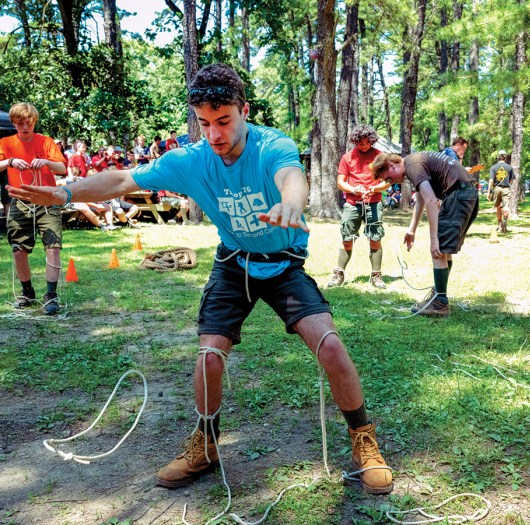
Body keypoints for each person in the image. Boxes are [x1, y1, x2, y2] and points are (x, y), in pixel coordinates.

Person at [7, 63, 393, 495]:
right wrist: (65, 193)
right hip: (234, 264)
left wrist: (290, 203)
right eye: (205, 123)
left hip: (283, 263)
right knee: (210, 355)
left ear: (244, 111)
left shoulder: (271, 145)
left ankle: (363, 438)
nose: (214, 134)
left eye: (224, 121)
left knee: (330, 344)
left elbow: (291, 175)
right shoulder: (191, 159)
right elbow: (122, 178)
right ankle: (205, 444)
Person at [370, 151, 479, 317]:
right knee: (444, 251)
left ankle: (440, 303)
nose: (390, 183)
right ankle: (439, 295)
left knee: (438, 250)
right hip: (466, 192)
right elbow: (421, 197)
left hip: (458, 194)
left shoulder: (413, 165)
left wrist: (433, 239)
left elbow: (431, 201)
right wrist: (411, 229)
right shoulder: (415, 162)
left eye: (388, 178)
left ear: (392, 165)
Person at [0, 102, 67, 315]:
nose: (24, 127)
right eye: (20, 123)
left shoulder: (45, 142)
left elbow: (62, 168)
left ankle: (51, 295)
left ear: (34, 121)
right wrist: (10, 161)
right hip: (20, 201)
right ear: (14, 123)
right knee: (18, 249)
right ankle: (27, 292)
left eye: (28, 123)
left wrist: (46, 161)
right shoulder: (6, 142)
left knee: (53, 247)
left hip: (47, 199)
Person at [327, 125, 391, 289]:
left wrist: (374, 189)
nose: (363, 145)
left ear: (372, 141)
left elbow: (387, 181)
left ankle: (376, 276)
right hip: (352, 204)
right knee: (347, 239)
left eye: (366, 142)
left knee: (375, 239)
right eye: (360, 143)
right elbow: (340, 183)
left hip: (374, 202)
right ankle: (338, 274)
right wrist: (354, 189)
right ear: (355, 141)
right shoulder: (347, 157)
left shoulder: (380, 156)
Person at [487, 150, 514, 233]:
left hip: (497, 188)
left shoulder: (493, 167)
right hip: (506, 188)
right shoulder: (509, 167)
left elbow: (491, 180)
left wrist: (488, 192)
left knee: (498, 207)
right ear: (505, 158)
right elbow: (511, 181)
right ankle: (504, 225)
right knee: (506, 207)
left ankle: (499, 225)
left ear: (497, 158)